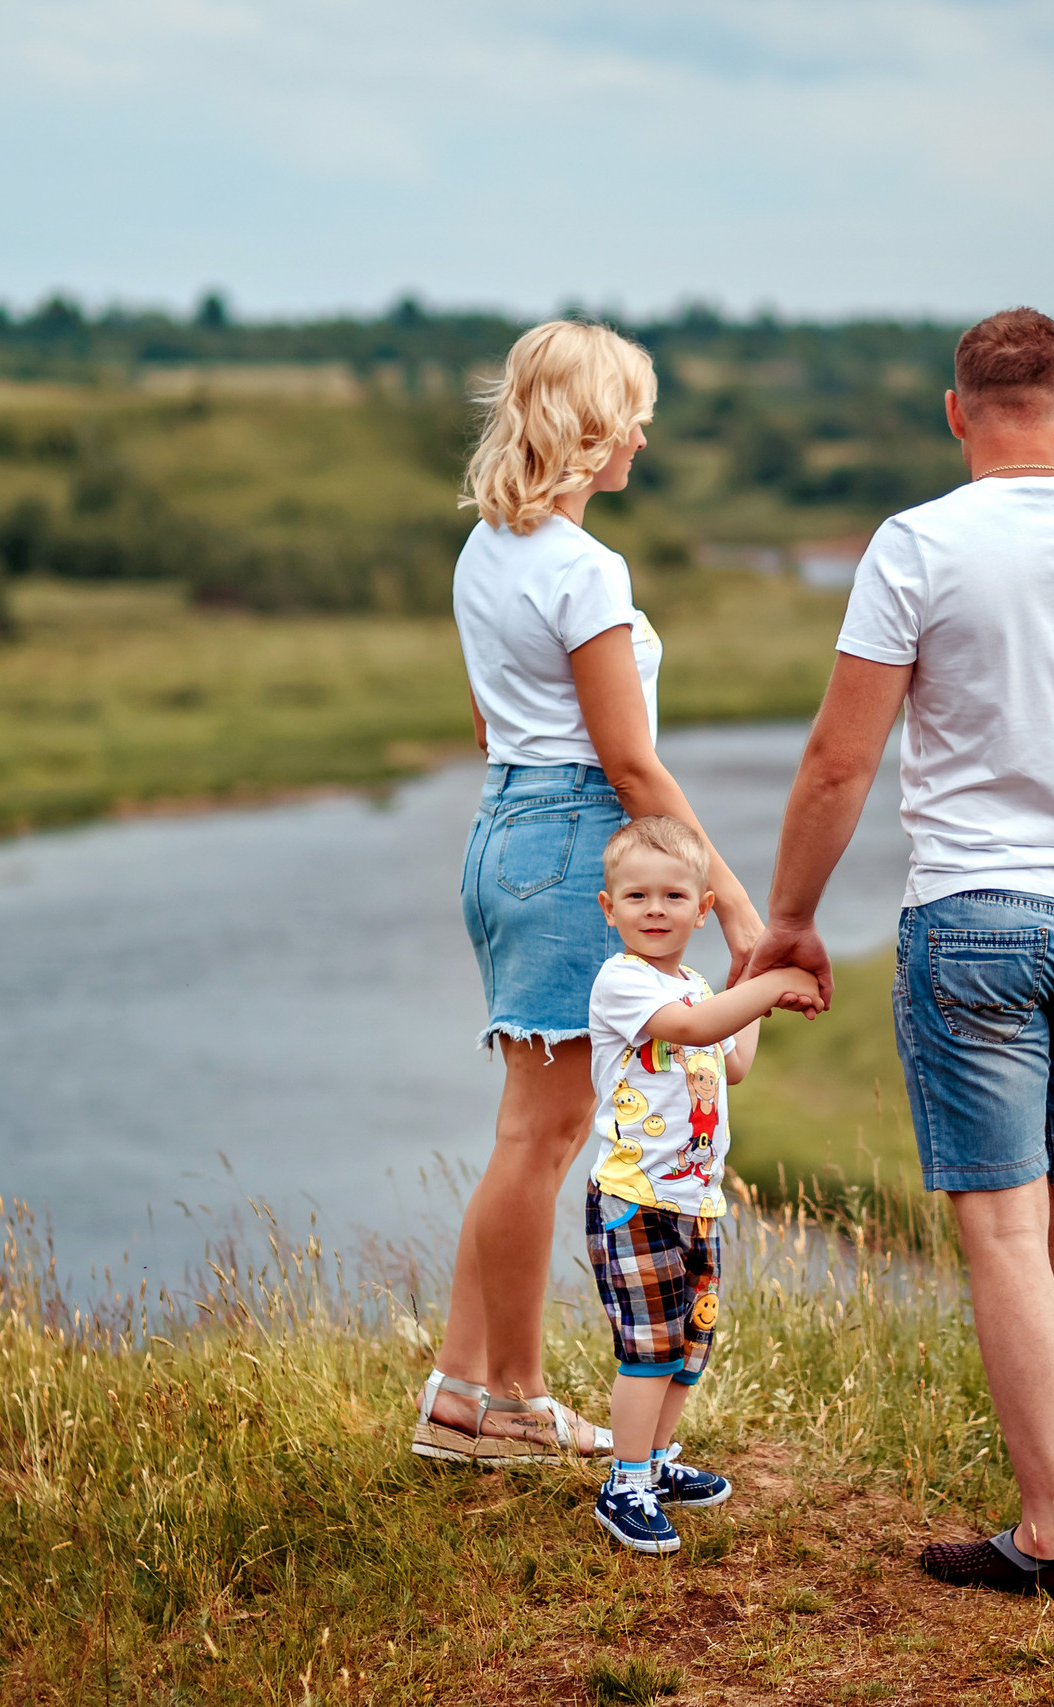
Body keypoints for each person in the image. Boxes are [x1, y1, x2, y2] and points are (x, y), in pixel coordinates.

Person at [738, 308, 1054, 1596]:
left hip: (975, 921)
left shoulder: (916, 546)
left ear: (957, 411)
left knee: (1010, 1241)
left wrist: (790, 918)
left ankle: (1043, 1538)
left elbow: (839, 760)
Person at [414, 320, 784, 1464]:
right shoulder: (584, 568)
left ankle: (460, 1397)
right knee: (546, 1131)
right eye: (632, 409)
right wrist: (726, 898)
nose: (644, 431)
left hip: (503, 828)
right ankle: (509, 1402)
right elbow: (628, 763)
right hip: (574, 836)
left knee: (529, 1131)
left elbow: (490, 719)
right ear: (587, 426)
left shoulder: (488, 550)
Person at [579, 815, 821, 1553]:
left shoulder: (699, 984)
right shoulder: (623, 980)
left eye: (674, 895)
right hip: (635, 1203)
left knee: (688, 1346)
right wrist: (773, 979)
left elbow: (732, 1060)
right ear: (609, 907)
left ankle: (653, 1462)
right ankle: (623, 1483)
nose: (655, 909)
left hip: (696, 1202)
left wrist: (756, 991)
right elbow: (689, 1031)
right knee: (647, 1348)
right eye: (638, 895)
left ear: (703, 907)